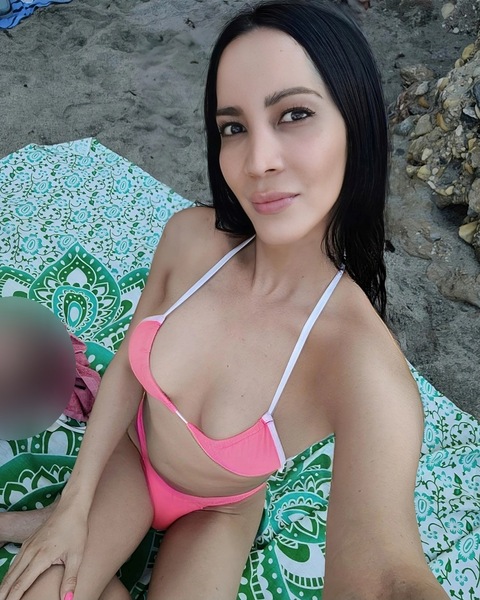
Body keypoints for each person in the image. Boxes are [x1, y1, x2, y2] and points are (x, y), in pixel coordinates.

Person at [0, 1, 450, 599]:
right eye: (234, 127)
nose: (258, 162)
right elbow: (129, 368)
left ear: (357, 126)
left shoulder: (363, 365)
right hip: (131, 457)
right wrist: (73, 508)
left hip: (220, 511)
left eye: (294, 114)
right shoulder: (190, 239)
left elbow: (387, 572)